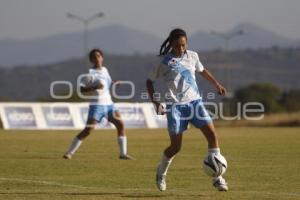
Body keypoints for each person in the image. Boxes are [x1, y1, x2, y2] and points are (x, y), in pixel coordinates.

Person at [146, 28, 228, 191]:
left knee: (212, 136)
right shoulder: (164, 62)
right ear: (171, 45)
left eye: (183, 45)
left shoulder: (193, 56)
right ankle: (161, 172)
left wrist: (216, 84)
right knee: (176, 147)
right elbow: (149, 82)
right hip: (175, 107)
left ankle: (217, 176)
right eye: (177, 46)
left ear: (187, 43)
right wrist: (156, 102)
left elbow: (202, 71)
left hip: (195, 103)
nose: (180, 49)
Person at [63, 48, 135, 160]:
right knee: (88, 130)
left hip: (109, 105)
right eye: (94, 57)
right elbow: (81, 89)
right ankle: (69, 153)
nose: (97, 58)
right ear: (91, 60)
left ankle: (123, 154)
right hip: (97, 106)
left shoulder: (105, 70)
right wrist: (94, 87)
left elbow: (108, 83)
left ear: (102, 57)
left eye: (98, 56)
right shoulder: (90, 74)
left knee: (120, 125)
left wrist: (115, 83)